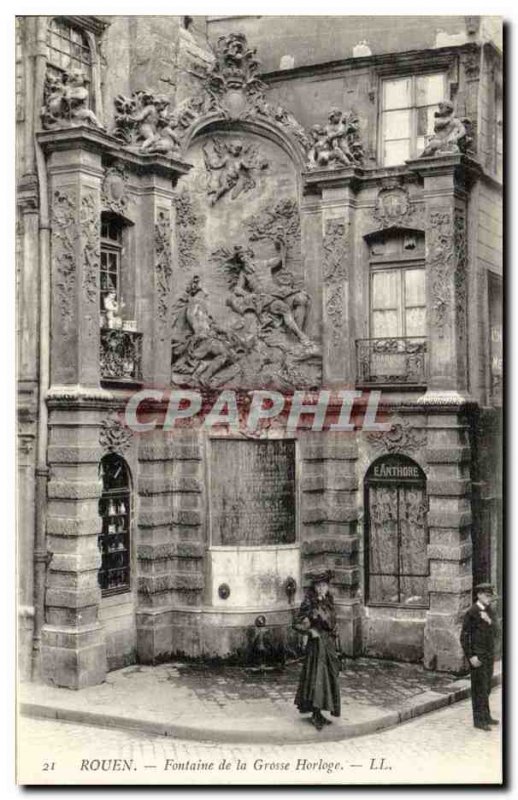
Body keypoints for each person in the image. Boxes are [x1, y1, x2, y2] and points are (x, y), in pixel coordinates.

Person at [293, 570, 341, 730]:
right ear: (314, 587)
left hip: (328, 644)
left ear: (327, 586)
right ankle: (315, 713)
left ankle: (320, 713)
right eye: (318, 586)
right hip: (316, 647)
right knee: (317, 678)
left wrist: (335, 631)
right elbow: (297, 622)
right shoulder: (309, 602)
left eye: (324, 585)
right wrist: (310, 631)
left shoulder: (329, 600)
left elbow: (333, 619)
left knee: (329, 677)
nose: (321, 589)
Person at [460, 583, 499, 731]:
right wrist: (471, 656)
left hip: (488, 656)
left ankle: (486, 716)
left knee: (487, 687)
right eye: (487, 596)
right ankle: (478, 720)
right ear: (479, 595)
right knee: (478, 689)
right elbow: (464, 637)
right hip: (477, 657)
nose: (490, 599)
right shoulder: (472, 612)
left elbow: (498, 632)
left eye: (490, 596)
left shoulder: (489, 611)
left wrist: (489, 620)